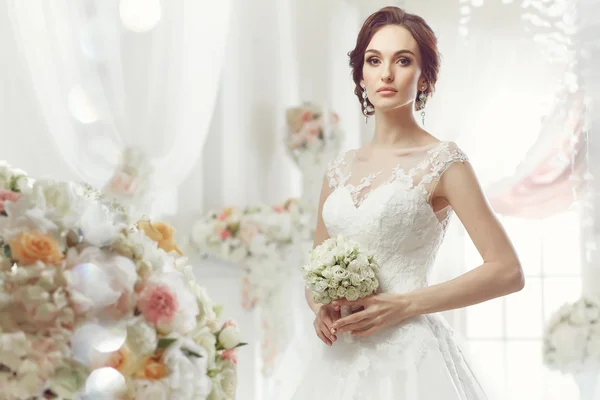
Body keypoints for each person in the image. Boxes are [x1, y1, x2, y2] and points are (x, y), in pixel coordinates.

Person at [290, 6, 524, 400]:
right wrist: (321, 309)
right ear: (360, 75)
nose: (386, 74)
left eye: (403, 60)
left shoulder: (445, 161)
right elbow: (315, 270)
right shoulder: (338, 169)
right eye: (373, 60)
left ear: (425, 76)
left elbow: (507, 271)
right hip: (339, 361)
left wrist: (403, 305)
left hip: (410, 361)